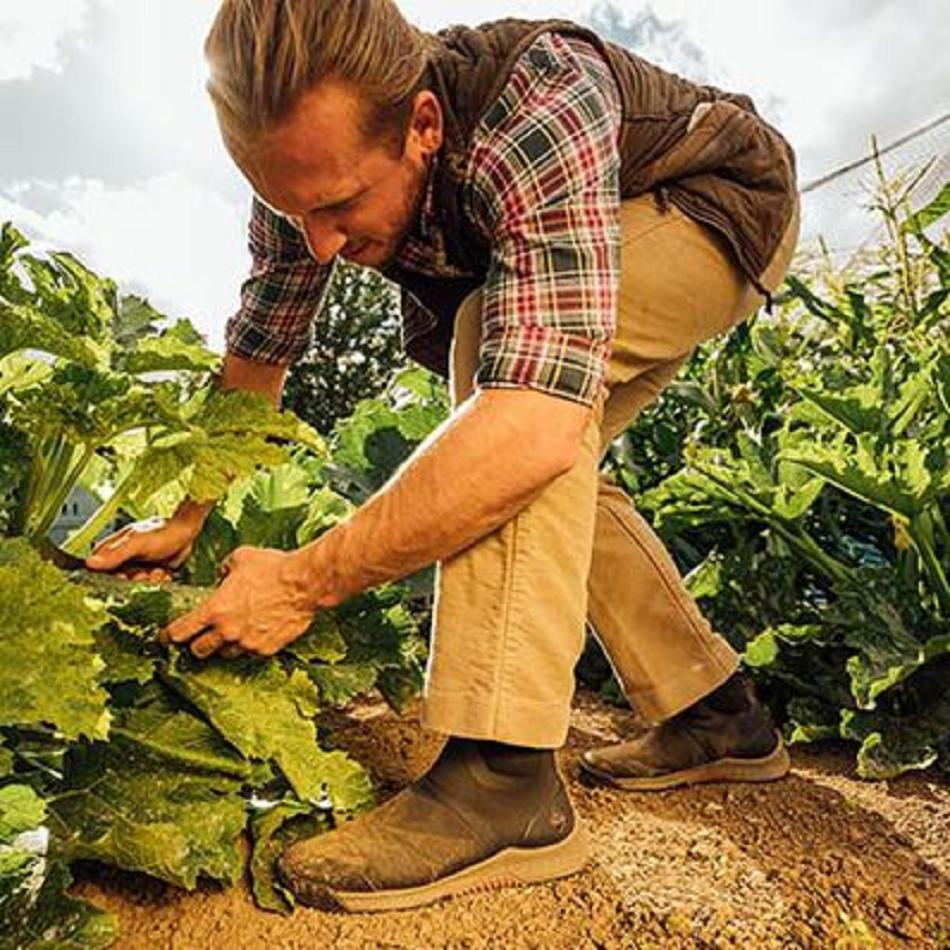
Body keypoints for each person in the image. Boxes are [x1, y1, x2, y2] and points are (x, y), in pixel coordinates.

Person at [86, 0, 800, 913]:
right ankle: (716, 713)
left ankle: (501, 780)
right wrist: (185, 517)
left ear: (424, 125)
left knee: (507, 380)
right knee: (539, 452)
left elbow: (529, 421)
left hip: (718, 209)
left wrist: (302, 583)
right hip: (600, 247)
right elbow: (259, 354)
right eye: (291, 210)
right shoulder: (309, 178)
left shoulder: (534, 97)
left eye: (341, 206)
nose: (322, 244)